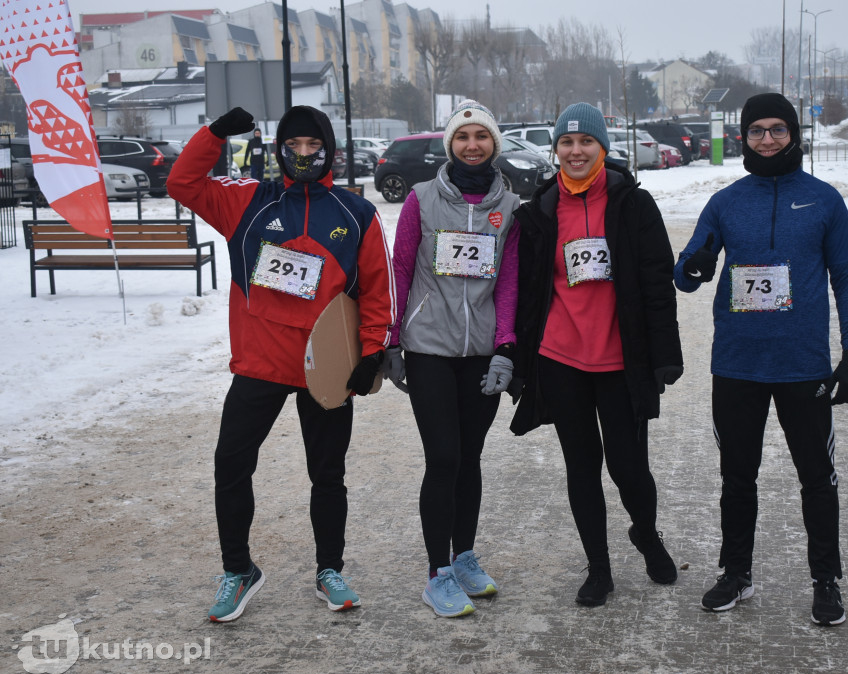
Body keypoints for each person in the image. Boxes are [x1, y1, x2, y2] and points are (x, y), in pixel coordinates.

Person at [167, 105, 396, 622]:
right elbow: (182, 183)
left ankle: (329, 570)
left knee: (328, 474)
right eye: (292, 147)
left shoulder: (355, 212)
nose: (302, 155)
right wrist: (214, 135)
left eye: (312, 147)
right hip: (260, 363)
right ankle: (237, 570)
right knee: (231, 463)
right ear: (279, 151)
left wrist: (372, 351)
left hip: (328, 368)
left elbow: (379, 290)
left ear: (328, 150)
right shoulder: (248, 200)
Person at [673, 92, 848, 626]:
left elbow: (847, 278)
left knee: (817, 477)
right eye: (757, 131)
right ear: (744, 137)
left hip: (804, 365)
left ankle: (826, 579)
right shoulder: (727, 201)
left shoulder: (824, 200)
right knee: (737, 477)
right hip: (737, 363)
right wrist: (694, 267)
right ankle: (736, 572)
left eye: (778, 130)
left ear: (795, 135)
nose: (767, 139)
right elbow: (686, 267)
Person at [510, 103, 683, 607]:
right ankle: (599, 568)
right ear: (556, 149)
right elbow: (527, 292)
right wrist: (520, 361)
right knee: (581, 465)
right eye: (567, 142)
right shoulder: (540, 211)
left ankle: (646, 535)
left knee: (629, 467)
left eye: (586, 142)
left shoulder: (633, 204)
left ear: (602, 148)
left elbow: (657, 282)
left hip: (619, 359)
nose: (576, 151)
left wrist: (664, 354)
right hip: (560, 357)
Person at [383, 100, 519, 618]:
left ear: (493, 144)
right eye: (462, 137)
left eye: (481, 136)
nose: (472, 145)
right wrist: (393, 339)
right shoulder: (421, 199)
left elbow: (508, 280)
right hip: (429, 349)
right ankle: (436, 574)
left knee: (470, 459)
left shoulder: (510, 206)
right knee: (443, 458)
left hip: (480, 352)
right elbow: (400, 268)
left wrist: (506, 344)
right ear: (450, 145)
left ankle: (463, 557)